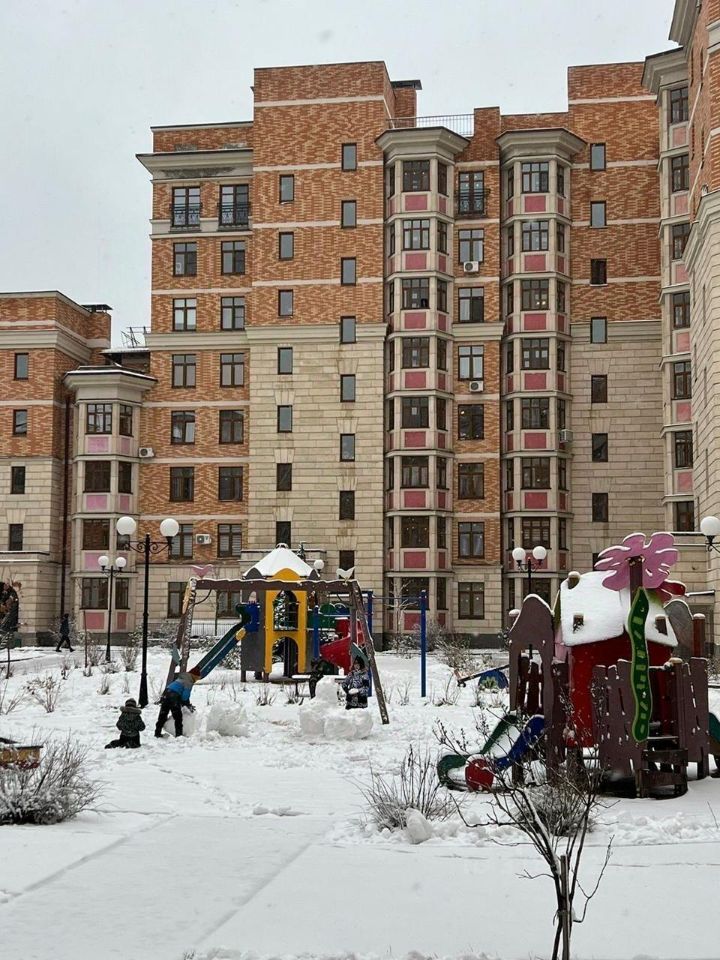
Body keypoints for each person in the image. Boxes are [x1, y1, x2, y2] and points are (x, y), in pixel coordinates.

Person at [154, 672, 195, 738]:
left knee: (163, 715)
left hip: (166, 694)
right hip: (173, 697)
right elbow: (185, 697)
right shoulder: (188, 682)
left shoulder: (179, 679)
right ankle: (179, 735)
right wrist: (188, 705)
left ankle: (157, 732)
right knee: (178, 717)